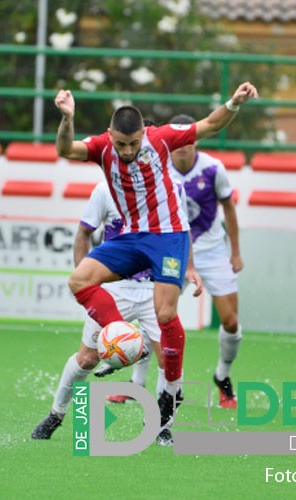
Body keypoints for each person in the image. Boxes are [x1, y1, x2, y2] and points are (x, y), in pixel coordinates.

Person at [53, 81, 257, 445]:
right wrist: (67, 118)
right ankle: (120, 335)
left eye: (133, 143)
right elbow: (66, 148)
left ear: (144, 134)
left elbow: (209, 125)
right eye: (121, 144)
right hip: (133, 237)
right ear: (110, 135)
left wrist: (234, 102)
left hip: (169, 237)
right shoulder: (102, 148)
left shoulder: (161, 138)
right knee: (79, 280)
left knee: (165, 314)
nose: (128, 151)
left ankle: (172, 389)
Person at [31, 181, 164, 440]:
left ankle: (162, 427)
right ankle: (55, 415)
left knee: (168, 359)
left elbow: (181, 235)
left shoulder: (163, 189)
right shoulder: (105, 190)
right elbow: (84, 233)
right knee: (87, 360)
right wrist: (84, 277)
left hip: (153, 288)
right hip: (113, 288)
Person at [166, 113, 244, 410]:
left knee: (231, 322)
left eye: (188, 140)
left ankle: (222, 376)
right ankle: (136, 384)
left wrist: (235, 251)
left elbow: (229, 209)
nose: (183, 146)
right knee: (157, 315)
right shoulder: (161, 169)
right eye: (178, 141)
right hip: (175, 251)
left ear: (195, 140)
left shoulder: (213, 168)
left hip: (212, 251)